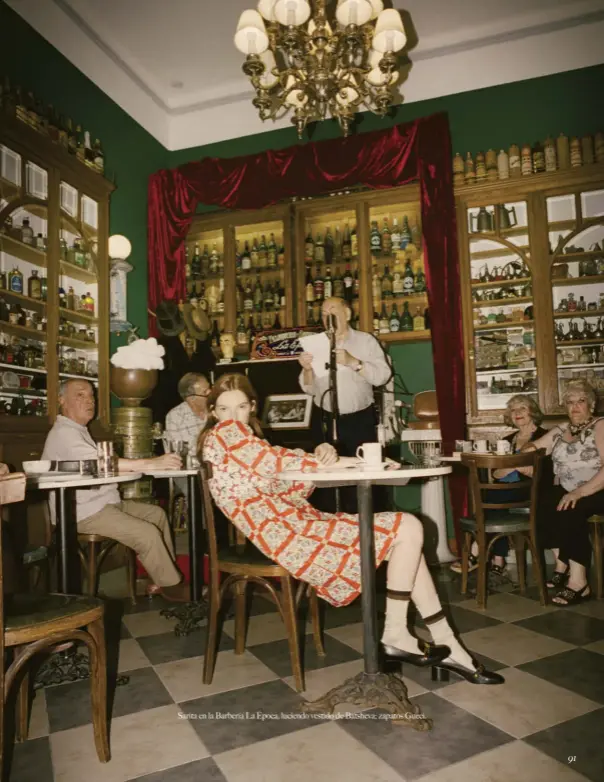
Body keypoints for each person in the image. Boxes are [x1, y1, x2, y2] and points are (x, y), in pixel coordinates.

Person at [200, 373, 503, 685]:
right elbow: (279, 462)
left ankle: (443, 641)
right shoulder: (224, 436)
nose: (232, 417)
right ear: (213, 413)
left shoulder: (245, 442)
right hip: (292, 536)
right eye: (223, 409)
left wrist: (339, 460)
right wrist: (345, 461)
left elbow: (288, 484)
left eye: (239, 408)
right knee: (407, 527)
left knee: (407, 536)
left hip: (300, 525)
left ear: (252, 407)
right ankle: (402, 634)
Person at [42, 379, 189, 602]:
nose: (89, 400)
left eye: (91, 395)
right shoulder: (64, 432)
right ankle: (172, 586)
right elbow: (101, 464)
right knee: (146, 533)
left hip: (103, 504)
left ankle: (160, 578)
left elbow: (99, 467)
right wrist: (151, 463)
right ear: (61, 400)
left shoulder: (79, 430)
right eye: (80, 395)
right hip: (82, 512)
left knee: (156, 515)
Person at [298, 296, 392, 512]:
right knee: (325, 484)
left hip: (359, 420)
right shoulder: (316, 343)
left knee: (362, 484)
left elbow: (382, 376)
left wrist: (353, 362)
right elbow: (309, 389)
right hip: (324, 419)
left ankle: (365, 536)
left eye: (332, 310)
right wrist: (307, 369)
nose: (327, 316)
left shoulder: (365, 341)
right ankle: (333, 535)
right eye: (323, 313)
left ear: (347, 314)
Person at [451, 394, 548, 576]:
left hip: (531, 491)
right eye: (513, 410)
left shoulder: (544, 436)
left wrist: (512, 466)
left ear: (532, 412)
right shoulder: (507, 440)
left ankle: (478, 551)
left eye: (522, 408)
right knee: (494, 499)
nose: (517, 413)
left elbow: (543, 472)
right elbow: (495, 473)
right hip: (505, 491)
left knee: (489, 499)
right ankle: (497, 559)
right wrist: (516, 465)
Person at [526, 379, 603, 605]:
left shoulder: (600, 425)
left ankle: (580, 583)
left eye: (581, 401)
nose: (575, 407)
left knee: (571, 506)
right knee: (543, 503)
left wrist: (579, 492)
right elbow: (529, 449)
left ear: (591, 404)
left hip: (597, 487)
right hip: (567, 488)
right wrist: (552, 433)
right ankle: (563, 563)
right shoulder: (563, 429)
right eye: (570, 402)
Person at [165, 372, 210, 456]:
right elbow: (178, 452)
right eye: (205, 392)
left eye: (210, 388)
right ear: (191, 398)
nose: (210, 393)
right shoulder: (175, 416)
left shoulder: (217, 409)